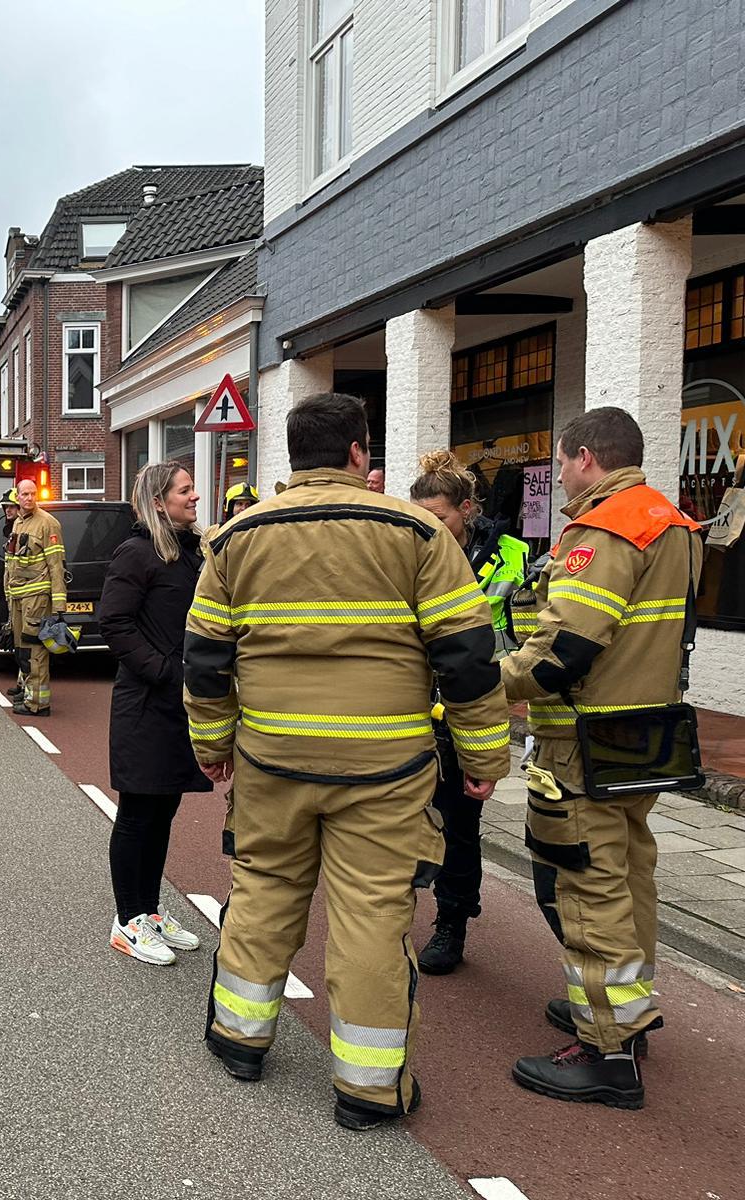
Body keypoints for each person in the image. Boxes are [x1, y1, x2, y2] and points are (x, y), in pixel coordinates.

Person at [184, 392, 509, 1131]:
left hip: (270, 761)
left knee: (263, 894)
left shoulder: (234, 539)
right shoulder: (419, 532)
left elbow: (204, 660)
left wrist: (212, 746)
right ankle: (367, 1089)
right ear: (360, 452)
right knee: (370, 919)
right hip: (383, 770)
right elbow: (466, 659)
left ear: (292, 457)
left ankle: (239, 1039)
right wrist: (484, 754)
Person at [503, 407, 700, 1110]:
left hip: (582, 743)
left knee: (590, 890)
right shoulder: (671, 523)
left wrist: (486, 682)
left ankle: (606, 1051)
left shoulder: (607, 528)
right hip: (644, 736)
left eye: (559, 462)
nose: (557, 476)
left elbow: (563, 653)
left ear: (587, 457)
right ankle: (630, 1013)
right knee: (630, 873)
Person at [408, 450, 530, 975]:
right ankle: (393, 913)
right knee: (403, 820)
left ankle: (451, 922)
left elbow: (521, 635)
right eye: (422, 516)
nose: (430, 526)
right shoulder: (410, 550)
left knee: (459, 826)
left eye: (440, 516)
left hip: (471, 707)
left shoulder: (512, 556)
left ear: (467, 508)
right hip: (413, 711)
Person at [99, 462, 213, 966]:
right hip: (147, 703)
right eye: (185, 490)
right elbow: (115, 623)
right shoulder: (137, 552)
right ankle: (127, 921)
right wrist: (165, 671)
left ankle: (149, 910)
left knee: (164, 810)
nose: (194, 496)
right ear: (159, 500)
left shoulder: (190, 553)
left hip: (176, 706)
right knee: (137, 815)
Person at [4, 478, 67, 717]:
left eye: (33, 494)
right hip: (19, 597)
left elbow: (56, 565)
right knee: (22, 651)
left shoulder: (48, 524)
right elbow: (13, 564)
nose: (29, 498)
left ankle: (38, 704)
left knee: (34, 650)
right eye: (24, 494)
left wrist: (59, 605)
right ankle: (30, 697)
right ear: (17, 497)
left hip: (37, 596)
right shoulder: (19, 523)